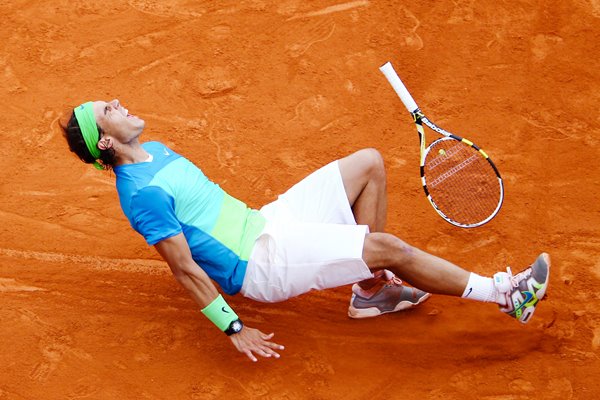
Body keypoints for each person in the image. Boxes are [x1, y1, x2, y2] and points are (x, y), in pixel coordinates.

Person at [60, 99, 551, 362]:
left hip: (267, 221)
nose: (119, 103)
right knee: (387, 247)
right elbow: (184, 268)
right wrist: (233, 327)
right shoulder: (140, 194)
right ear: (105, 139)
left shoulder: (158, 150)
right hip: (260, 264)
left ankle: (370, 290)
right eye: (108, 109)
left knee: (369, 164)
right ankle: (508, 295)